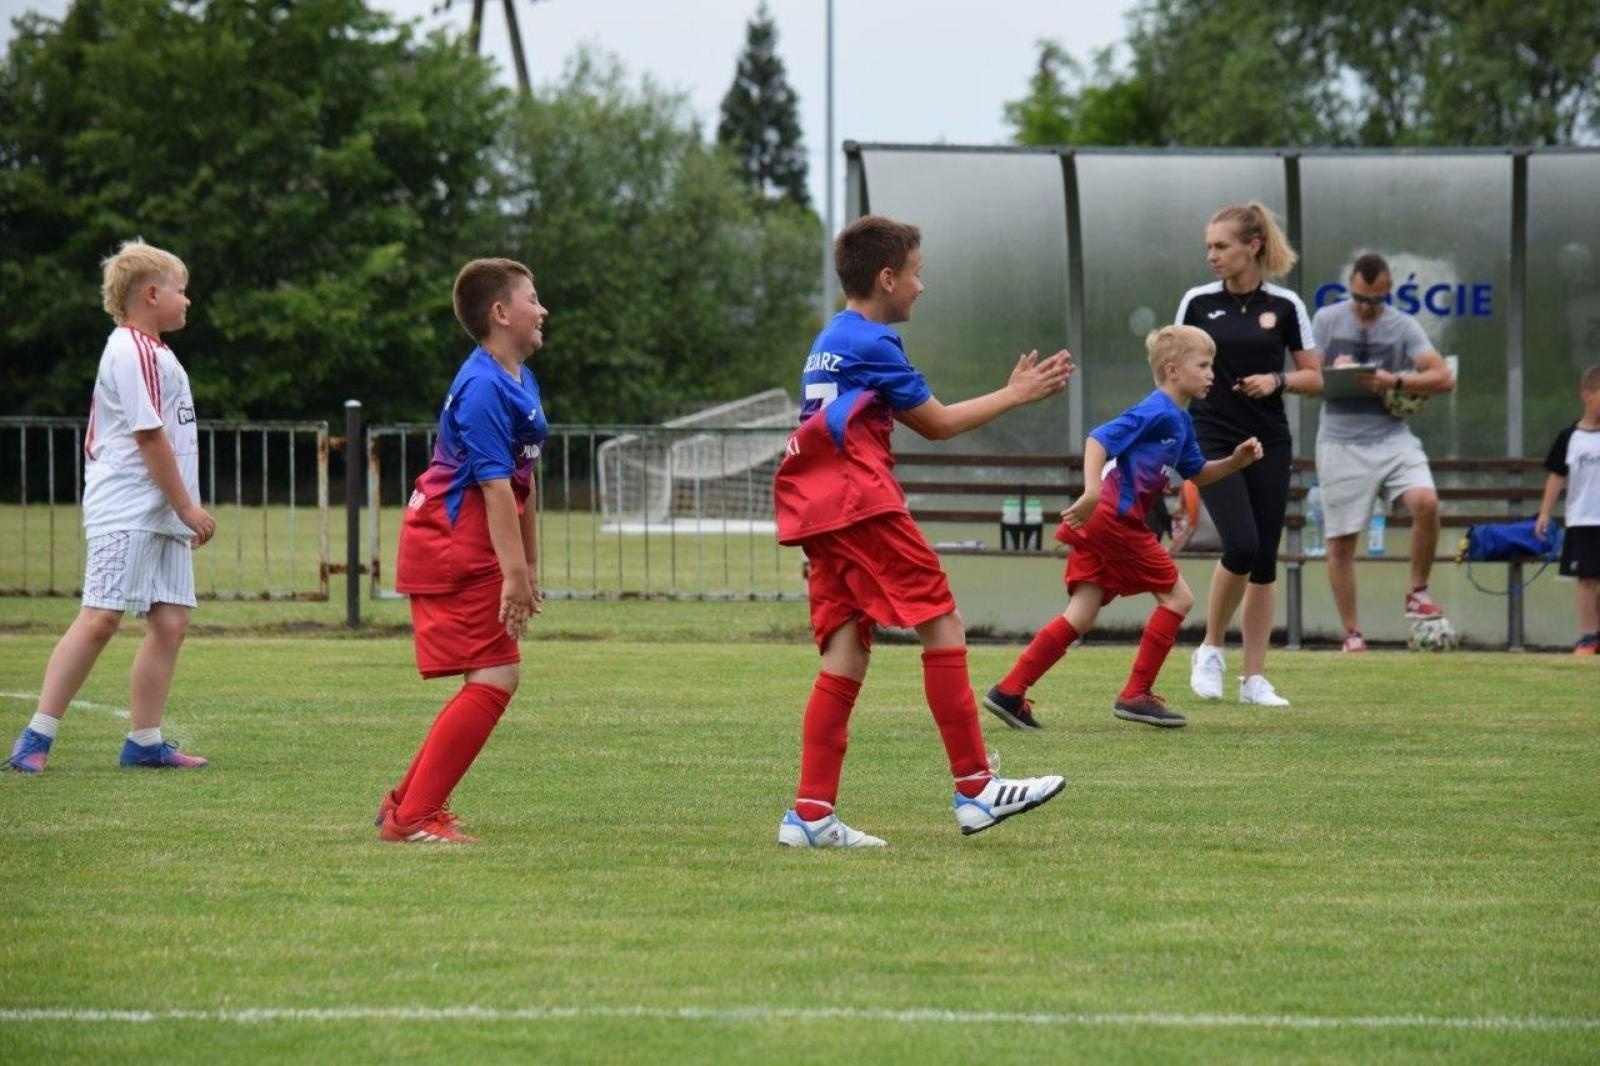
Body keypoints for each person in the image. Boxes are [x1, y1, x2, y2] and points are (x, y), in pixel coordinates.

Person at [773, 214, 1073, 847]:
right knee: (942, 622)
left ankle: (811, 813)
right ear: (887, 278)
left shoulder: (832, 336)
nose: (921, 286)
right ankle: (975, 789)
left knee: (845, 651)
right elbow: (936, 424)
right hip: (862, 504)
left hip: (822, 513)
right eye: (917, 274)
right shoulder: (874, 343)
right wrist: (1016, 394)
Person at [984, 326, 1262, 731]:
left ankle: (1010, 690)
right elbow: (1098, 440)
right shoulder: (1158, 410)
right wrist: (1093, 489)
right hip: (1114, 518)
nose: (1211, 374)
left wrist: (1235, 462)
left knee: (1080, 614)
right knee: (1178, 598)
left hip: (1106, 523)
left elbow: (1197, 474)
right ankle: (1136, 693)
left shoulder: (1180, 422)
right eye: (1203, 365)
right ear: (1171, 370)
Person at [6, 240, 216, 774]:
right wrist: (189, 507)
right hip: (126, 506)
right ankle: (35, 737)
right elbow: (148, 438)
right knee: (100, 617)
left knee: (170, 621)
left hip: (160, 511)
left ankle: (144, 742)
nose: (187, 301)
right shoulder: (130, 349)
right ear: (152, 294)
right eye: (180, 291)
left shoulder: (159, 352)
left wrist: (179, 509)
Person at [375, 258, 547, 844]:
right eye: (532, 298)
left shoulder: (516, 376)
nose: (542, 309)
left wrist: (529, 566)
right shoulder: (481, 386)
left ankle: (406, 801)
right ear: (501, 313)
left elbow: (525, 481)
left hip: (473, 538)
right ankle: (414, 817)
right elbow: (494, 487)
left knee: (492, 674)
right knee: (495, 677)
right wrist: (513, 574)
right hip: (455, 540)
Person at [1177, 201, 1321, 707]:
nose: (1212, 256)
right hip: (1212, 436)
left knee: (1263, 560)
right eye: (1209, 247)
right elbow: (1172, 370)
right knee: (1239, 544)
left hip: (1269, 441)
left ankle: (1254, 677)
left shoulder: (1284, 305)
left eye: (1222, 246)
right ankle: (1211, 649)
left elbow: (1315, 376)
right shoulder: (1197, 302)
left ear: (1252, 246)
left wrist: (1277, 379)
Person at [1308, 253, 1455, 652]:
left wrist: (1396, 379)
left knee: (1425, 501)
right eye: (1359, 298)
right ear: (1350, 288)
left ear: (1387, 293)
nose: (1366, 307)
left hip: (1391, 435)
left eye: (1374, 300)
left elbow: (1442, 377)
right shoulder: (1326, 320)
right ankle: (1352, 634)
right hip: (1340, 437)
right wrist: (1331, 372)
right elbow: (1307, 376)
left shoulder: (1402, 325)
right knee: (1341, 541)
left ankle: (1417, 591)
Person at [1535, 365, 1600, 655]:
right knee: (1586, 579)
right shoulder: (1569, 437)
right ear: (1587, 395)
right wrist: (1545, 512)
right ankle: (1588, 636)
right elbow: (1556, 476)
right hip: (1583, 520)